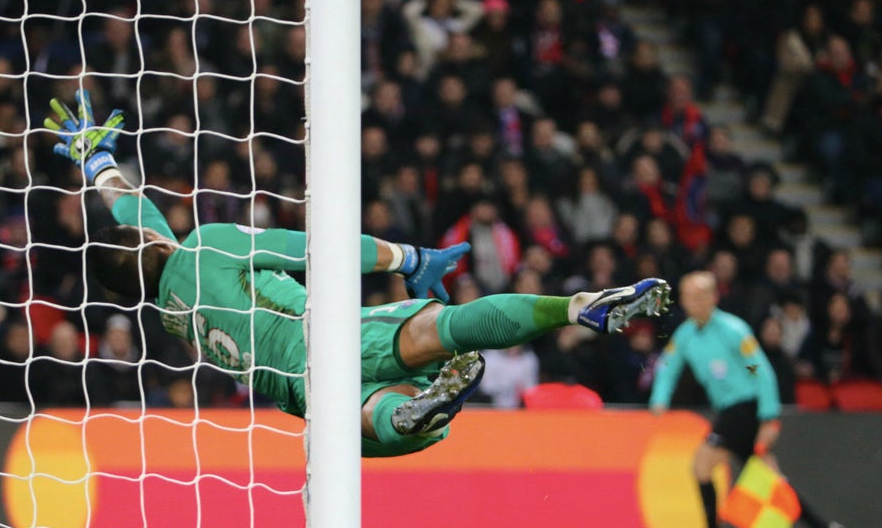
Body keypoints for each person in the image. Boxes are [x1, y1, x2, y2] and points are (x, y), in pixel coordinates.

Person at [45, 92, 673, 457]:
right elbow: (315, 249)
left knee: (378, 417)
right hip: (325, 329)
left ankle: (403, 414)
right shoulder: (209, 243)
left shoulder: (169, 310)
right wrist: (409, 259)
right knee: (440, 326)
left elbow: (137, 221)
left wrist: (98, 163)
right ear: (157, 241)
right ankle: (575, 307)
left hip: (295, 391)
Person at [650, 271, 848, 528]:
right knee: (771, 481)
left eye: (699, 296)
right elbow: (669, 364)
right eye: (688, 297)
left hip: (745, 407)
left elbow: (758, 368)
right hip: (730, 410)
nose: (693, 302)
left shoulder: (732, 330)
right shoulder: (687, 335)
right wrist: (659, 397)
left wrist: (769, 417)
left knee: (701, 465)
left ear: (713, 297)